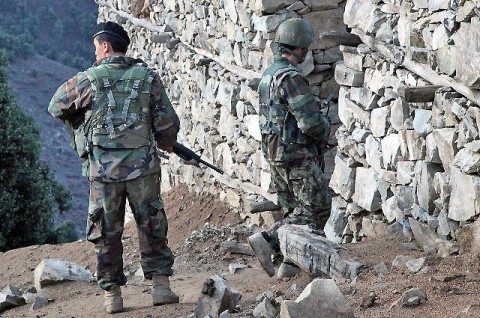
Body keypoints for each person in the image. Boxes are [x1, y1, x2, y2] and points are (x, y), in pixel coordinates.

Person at [48, 21, 180, 314]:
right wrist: (161, 141)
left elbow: (56, 105)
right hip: (143, 169)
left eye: (95, 47)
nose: (94, 52)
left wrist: (82, 123)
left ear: (105, 46)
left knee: (106, 230)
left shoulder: (87, 80)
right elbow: (168, 125)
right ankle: (161, 288)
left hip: (103, 173)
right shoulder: (147, 78)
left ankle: (113, 297)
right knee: (151, 223)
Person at [249, 18, 332, 278]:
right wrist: (325, 126)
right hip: (296, 155)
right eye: (305, 46)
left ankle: (288, 266)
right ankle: (268, 239)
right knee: (317, 208)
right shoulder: (291, 78)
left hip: (275, 154)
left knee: (293, 211)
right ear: (298, 47)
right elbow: (309, 123)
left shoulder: (269, 74)